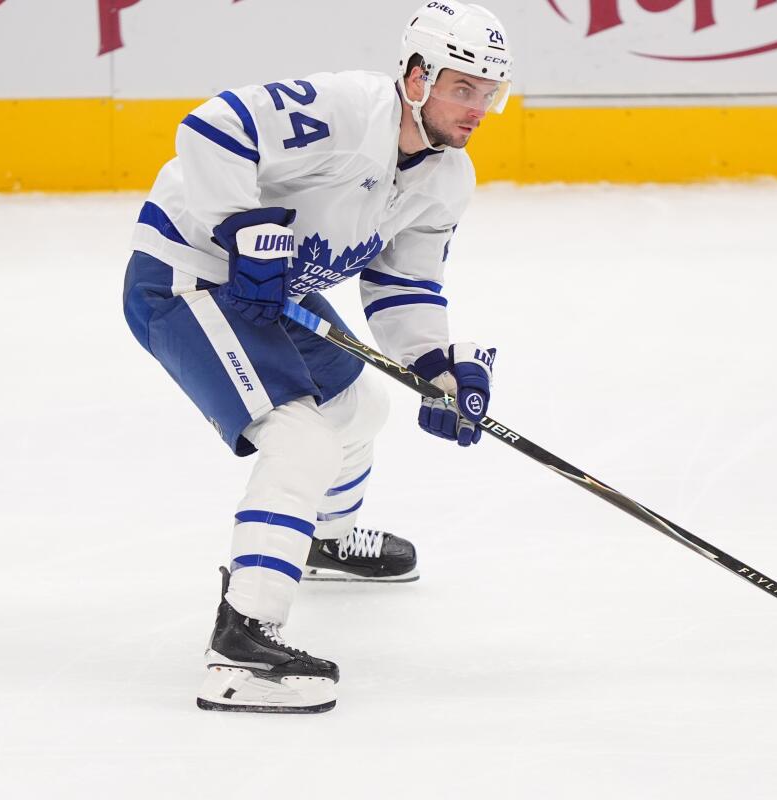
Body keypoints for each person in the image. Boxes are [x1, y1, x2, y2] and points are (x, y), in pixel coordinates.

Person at [121, 1, 513, 714]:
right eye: (464, 87)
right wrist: (241, 225)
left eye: (490, 93)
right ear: (418, 76)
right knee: (299, 441)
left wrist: (437, 369)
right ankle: (241, 647)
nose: (478, 108)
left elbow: (404, 283)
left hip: (276, 296)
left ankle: (321, 540)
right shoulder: (344, 112)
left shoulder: (446, 178)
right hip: (186, 276)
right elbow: (212, 126)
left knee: (360, 404)